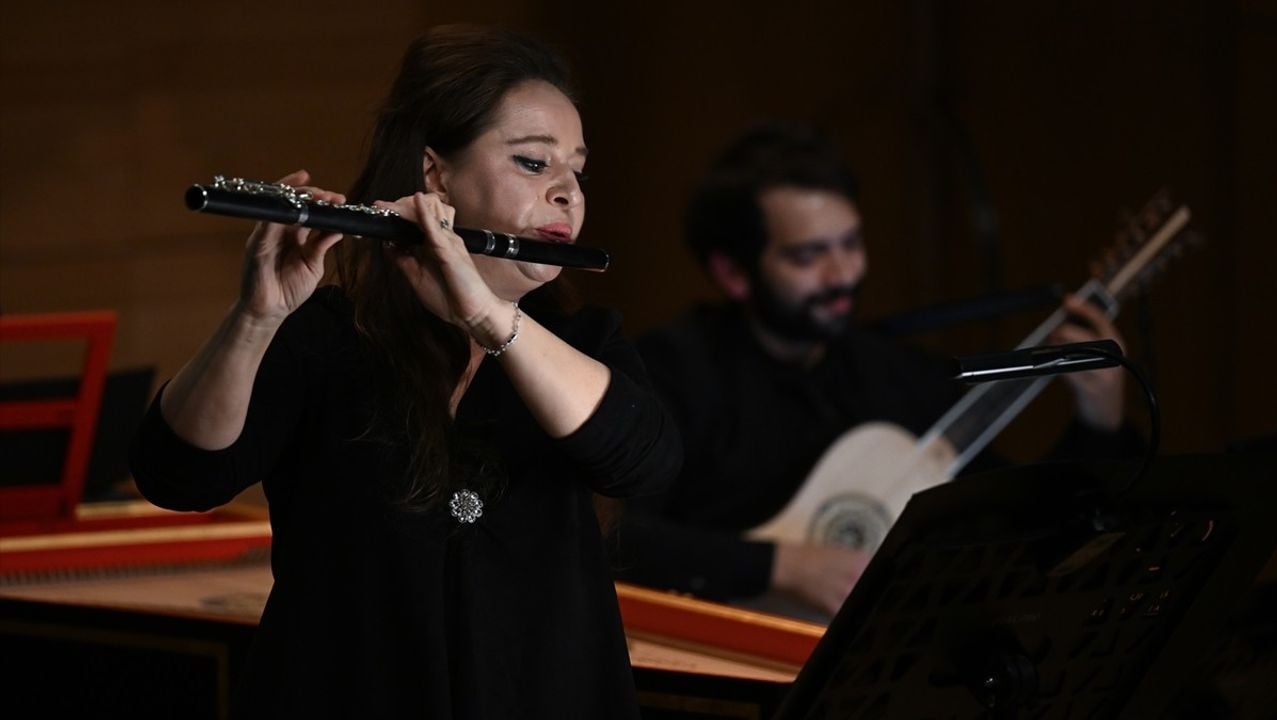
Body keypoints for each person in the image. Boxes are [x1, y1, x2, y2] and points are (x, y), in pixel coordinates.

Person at [130, 26, 680, 718]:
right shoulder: (329, 336)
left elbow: (645, 459)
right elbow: (178, 476)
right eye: (535, 165)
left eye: (578, 170)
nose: (568, 193)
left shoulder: (583, 342)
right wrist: (255, 319)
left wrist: (488, 314)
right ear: (435, 175)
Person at [613, 123, 1139, 618]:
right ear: (732, 272)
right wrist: (783, 566)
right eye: (808, 256)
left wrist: (1100, 421)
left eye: (852, 243)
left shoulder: (895, 374)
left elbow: (1026, 532)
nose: (844, 274)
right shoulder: (674, 370)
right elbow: (615, 535)